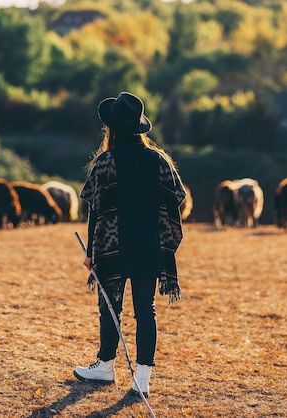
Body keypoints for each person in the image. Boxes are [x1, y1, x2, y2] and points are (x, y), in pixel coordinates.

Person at [74, 92, 187, 398]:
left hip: (113, 244)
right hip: (149, 244)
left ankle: (105, 365)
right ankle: (143, 378)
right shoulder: (159, 160)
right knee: (145, 310)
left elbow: (94, 209)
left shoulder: (105, 162)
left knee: (110, 308)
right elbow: (178, 198)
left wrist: (90, 253)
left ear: (111, 128)